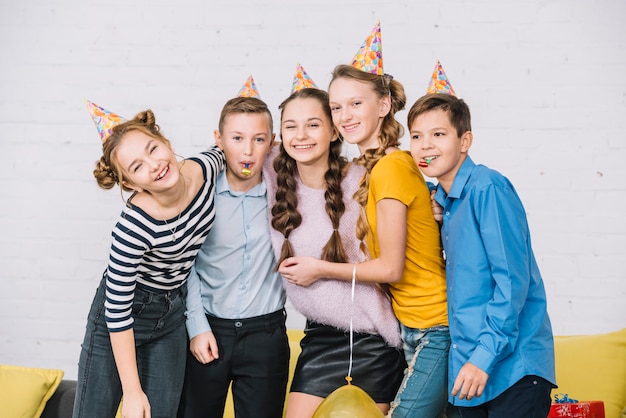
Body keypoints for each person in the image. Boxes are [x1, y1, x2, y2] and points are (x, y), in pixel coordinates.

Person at [276, 64, 451, 418]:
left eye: (355, 104)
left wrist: (319, 269)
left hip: (432, 324)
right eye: (337, 107)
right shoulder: (377, 167)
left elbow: (390, 266)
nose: (344, 116)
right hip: (412, 326)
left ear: (384, 105)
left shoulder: (389, 167)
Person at [407, 92, 556, 417]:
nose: (425, 145)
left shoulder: (487, 188)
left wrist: (482, 358)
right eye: (416, 136)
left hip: (511, 369)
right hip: (467, 370)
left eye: (438, 134)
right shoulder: (446, 202)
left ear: (465, 141)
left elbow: (511, 284)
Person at [73, 106, 224, 418]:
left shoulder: (205, 169)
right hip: (121, 317)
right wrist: (131, 392)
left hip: (171, 316)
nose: (155, 164)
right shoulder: (134, 227)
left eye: (153, 149)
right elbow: (116, 311)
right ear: (130, 184)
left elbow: (234, 145)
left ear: (166, 142)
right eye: (137, 167)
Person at [266, 86, 405, 418]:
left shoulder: (364, 179)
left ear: (333, 130)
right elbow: (231, 145)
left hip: (373, 339)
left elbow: (391, 258)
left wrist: (434, 202)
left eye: (313, 124)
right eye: (290, 126)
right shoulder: (271, 174)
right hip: (320, 337)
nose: (301, 135)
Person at [178, 96, 289, 418]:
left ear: (272, 143)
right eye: (237, 138)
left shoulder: (286, 196)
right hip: (207, 332)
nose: (248, 150)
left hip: (266, 337)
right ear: (219, 140)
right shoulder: (199, 195)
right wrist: (197, 327)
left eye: (259, 139)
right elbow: (186, 265)